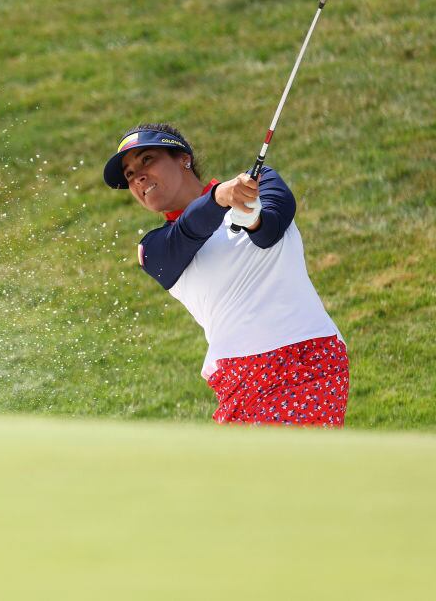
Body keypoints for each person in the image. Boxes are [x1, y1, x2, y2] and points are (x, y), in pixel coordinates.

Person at [102, 123, 349, 426]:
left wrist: (251, 216)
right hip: (237, 378)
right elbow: (190, 229)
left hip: (306, 360)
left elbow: (268, 233)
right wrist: (219, 197)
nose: (138, 176)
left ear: (184, 159)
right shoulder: (154, 249)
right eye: (129, 174)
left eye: (147, 160)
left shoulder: (263, 182)